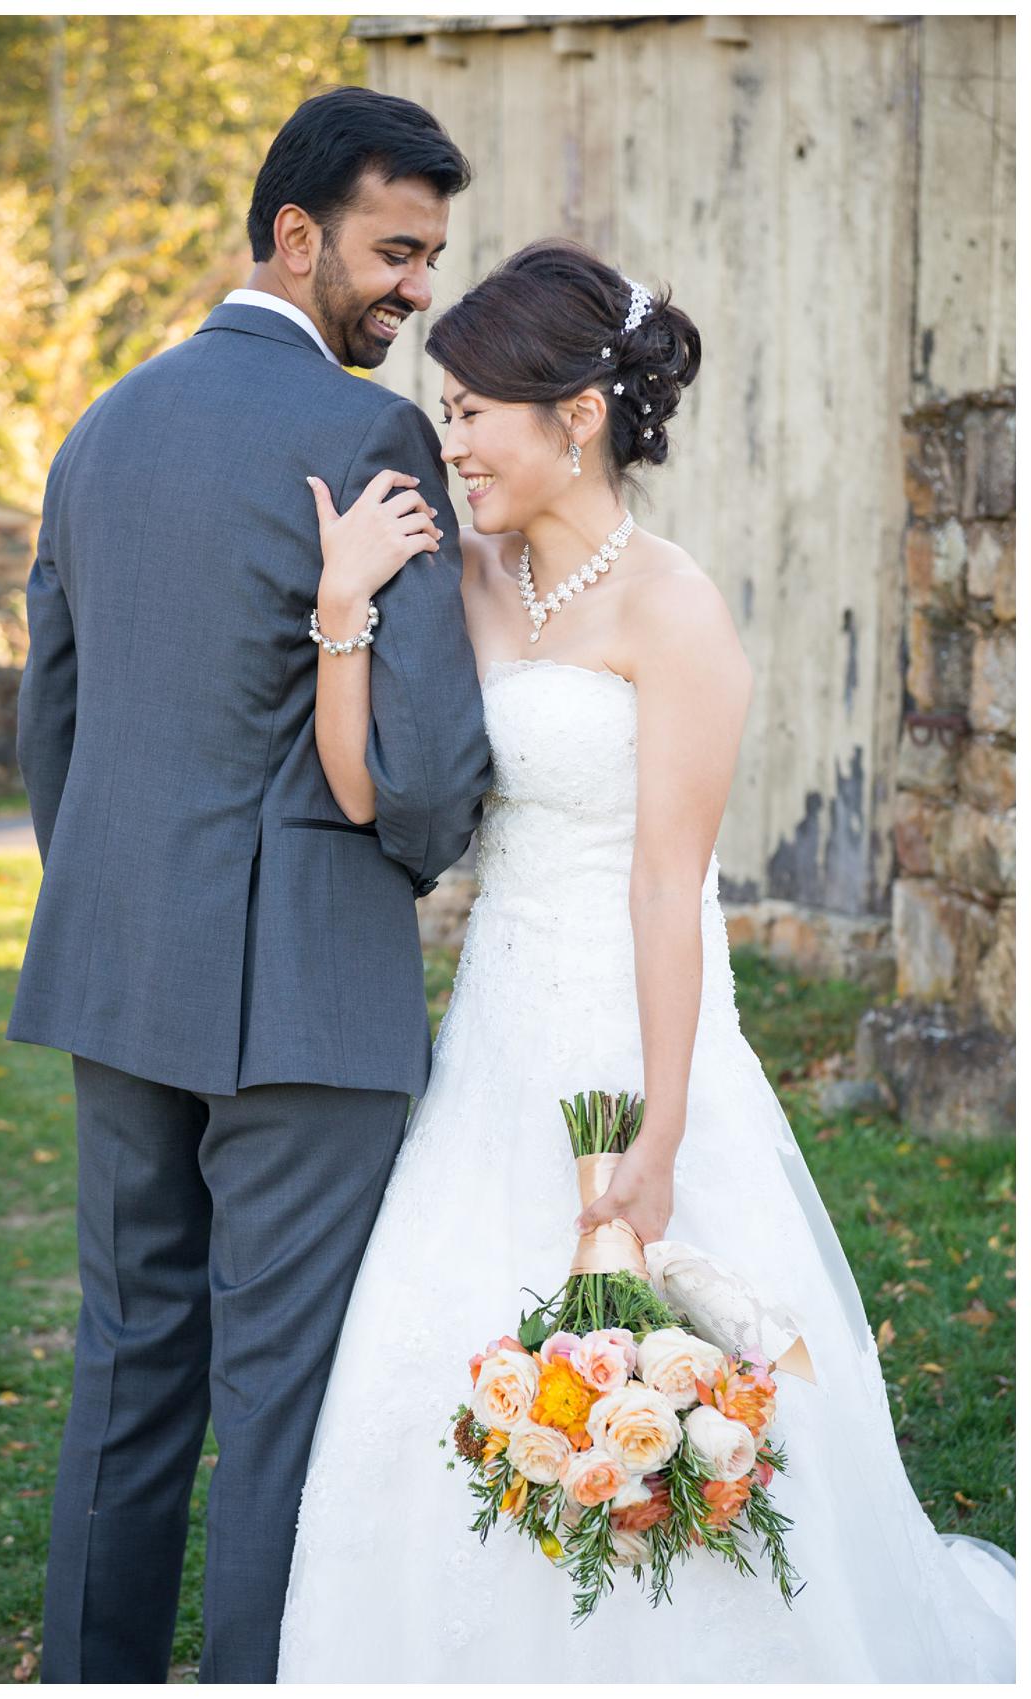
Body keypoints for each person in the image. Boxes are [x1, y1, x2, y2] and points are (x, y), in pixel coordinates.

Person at [276, 238, 1015, 1678]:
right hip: (496, 1033)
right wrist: (345, 610)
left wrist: (664, 1131)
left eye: (478, 410)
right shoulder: (464, 578)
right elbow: (365, 791)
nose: (455, 439)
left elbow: (673, 887)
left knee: (690, 1355)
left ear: (578, 415)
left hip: (637, 1023)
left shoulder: (678, 610)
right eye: (450, 408)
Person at [8, 87, 489, 1682]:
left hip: (117, 972)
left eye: (428, 256)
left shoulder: (99, 427)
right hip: (311, 1000)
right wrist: (424, 855)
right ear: (297, 234)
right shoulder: (368, 437)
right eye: (396, 252)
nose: (417, 292)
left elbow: (51, 728)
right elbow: (421, 776)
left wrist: (113, 900)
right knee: (288, 1396)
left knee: (131, 1368)